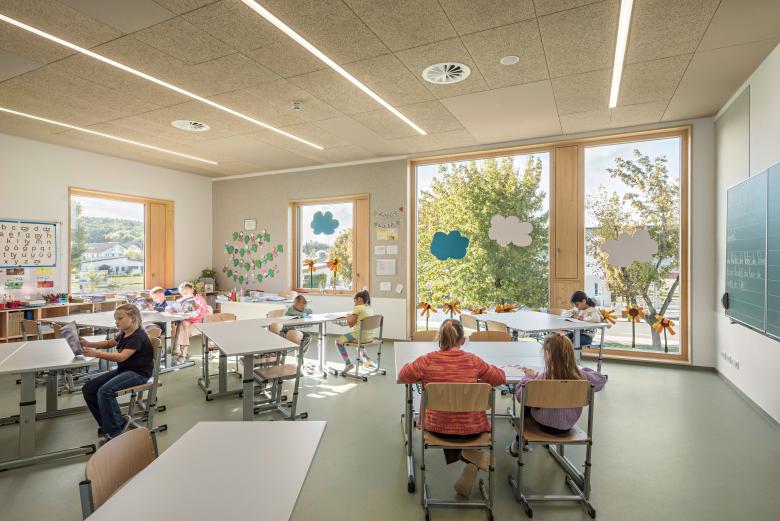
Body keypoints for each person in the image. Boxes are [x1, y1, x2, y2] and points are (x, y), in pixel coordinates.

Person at [398, 319, 506, 497]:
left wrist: (409, 365)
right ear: (462, 340)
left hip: (436, 430)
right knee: (458, 419)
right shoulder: (473, 361)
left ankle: (467, 456)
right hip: (472, 430)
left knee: (447, 418)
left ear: (440, 338)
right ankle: (472, 456)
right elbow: (499, 378)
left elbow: (403, 376)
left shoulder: (427, 361)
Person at [509, 333, 606, 456]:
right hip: (567, 425)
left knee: (529, 396)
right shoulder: (581, 376)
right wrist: (582, 370)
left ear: (548, 354)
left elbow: (520, 396)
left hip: (542, 424)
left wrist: (528, 377)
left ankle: (519, 442)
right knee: (534, 393)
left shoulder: (543, 377)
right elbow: (601, 379)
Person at [80, 304, 154, 442]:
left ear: (133, 318)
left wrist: (96, 353)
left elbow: (121, 357)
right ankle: (107, 424)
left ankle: (117, 430)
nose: (116, 321)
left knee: (105, 391)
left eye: (120, 318)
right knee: (89, 389)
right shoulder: (124, 332)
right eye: (115, 319)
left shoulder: (137, 336)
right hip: (125, 370)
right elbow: (109, 343)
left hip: (139, 373)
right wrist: (89, 344)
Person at [335, 290, 375, 372]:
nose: (354, 302)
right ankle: (366, 361)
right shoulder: (369, 308)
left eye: (354, 300)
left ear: (360, 299)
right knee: (358, 342)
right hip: (370, 337)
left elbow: (351, 324)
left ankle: (348, 364)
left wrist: (348, 317)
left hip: (360, 336)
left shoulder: (357, 308)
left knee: (338, 341)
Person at [172, 282, 210, 364]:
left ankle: (180, 352)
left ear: (192, 290)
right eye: (183, 294)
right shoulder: (183, 300)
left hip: (198, 323)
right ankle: (181, 353)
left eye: (186, 293)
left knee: (182, 327)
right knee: (182, 325)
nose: (185, 295)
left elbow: (202, 314)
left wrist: (191, 315)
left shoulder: (200, 299)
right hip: (186, 321)